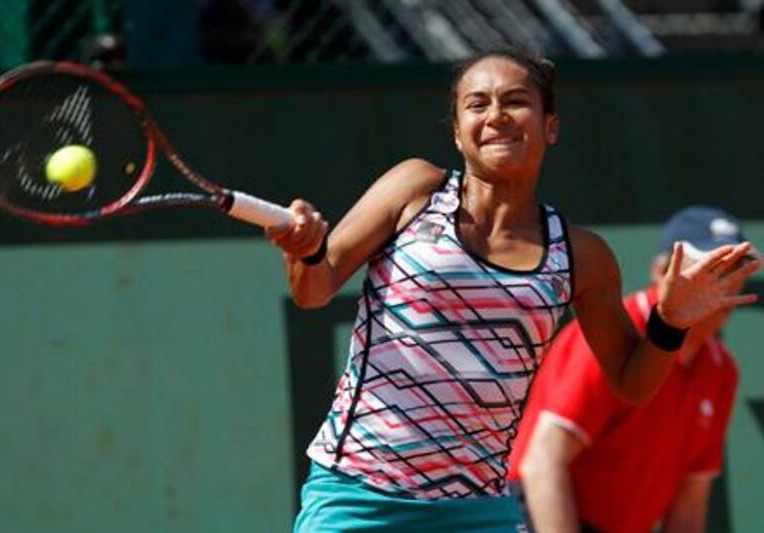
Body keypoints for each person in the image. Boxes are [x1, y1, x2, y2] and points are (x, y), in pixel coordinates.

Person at [267, 46, 760, 532]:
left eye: (516, 100)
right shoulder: (413, 189)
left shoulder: (583, 257)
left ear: (551, 126)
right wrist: (307, 252)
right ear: (458, 133)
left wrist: (669, 321)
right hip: (360, 495)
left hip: (478, 513)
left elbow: (633, 383)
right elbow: (315, 289)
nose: (497, 115)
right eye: (477, 104)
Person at [508, 206, 758, 533]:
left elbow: (689, 505)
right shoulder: (615, 332)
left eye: (735, 270)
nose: (725, 285)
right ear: (662, 271)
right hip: (534, 515)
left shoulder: (721, 371)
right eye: (712, 267)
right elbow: (543, 463)